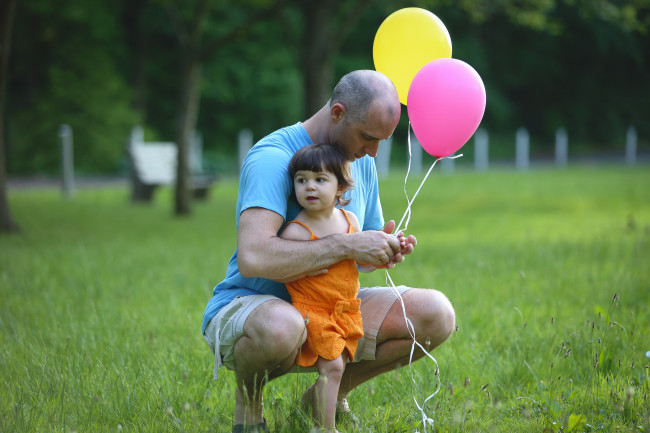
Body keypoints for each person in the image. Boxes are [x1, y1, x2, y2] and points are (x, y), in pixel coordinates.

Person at [202, 70, 456, 433]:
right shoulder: (273, 157)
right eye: (368, 138)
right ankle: (250, 412)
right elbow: (253, 257)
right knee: (282, 326)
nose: (373, 152)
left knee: (436, 315)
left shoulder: (360, 162)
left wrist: (380, 250)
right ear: (337, 113)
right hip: (255, 306)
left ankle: (325, 396)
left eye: (381, 141)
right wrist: (348, 245)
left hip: (332, 307)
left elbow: (357, 259)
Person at [281, 143, 380, 432]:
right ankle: (325, 428)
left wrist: (384, 253)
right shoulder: (297, 231)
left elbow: (362, 264)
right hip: (315, 312)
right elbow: (285, 269)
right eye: (302, 180)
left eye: (320, 180)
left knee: (339, 366)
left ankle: (316, 411)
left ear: (341, 187)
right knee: (333, 367)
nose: (309, 187)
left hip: (346, 310)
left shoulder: (351, 221)